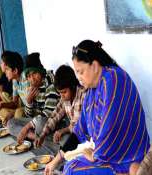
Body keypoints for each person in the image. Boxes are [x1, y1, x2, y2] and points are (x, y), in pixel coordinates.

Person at [61, 40, 150, 175]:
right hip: (107, 154)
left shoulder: (114, 78)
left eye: (80, 72)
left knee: (73, 170)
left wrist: (95, 156)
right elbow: (80, 129)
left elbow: (111, 127)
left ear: (95, 66)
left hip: (126, 157)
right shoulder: (91, 91)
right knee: (69, 165)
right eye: (76, 73)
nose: (78, 77)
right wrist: (56, 159)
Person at [7, 53, 60, 144]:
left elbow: (48, 114)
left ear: (40, 71)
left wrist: (25, 128)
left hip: (52, 122)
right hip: (37, 122)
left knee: (40, 123)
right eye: (28, 76)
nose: (32, 79)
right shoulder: (33, 87)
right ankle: (35, 137)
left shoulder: (50, 84)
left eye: (34, 73)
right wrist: (29, 101)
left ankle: (38, 137)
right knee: (11, 123)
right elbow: (29, 116)